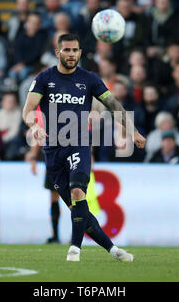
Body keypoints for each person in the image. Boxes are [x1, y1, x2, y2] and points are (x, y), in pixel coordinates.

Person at [22, 33, 145, 262]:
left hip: (79, 144)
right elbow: (28, 109)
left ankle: (74, 250)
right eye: (66, 50)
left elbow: (113, 105)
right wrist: (34, 126)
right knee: (78, 211)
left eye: (75, 50)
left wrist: (133, 131)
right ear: (58, 52)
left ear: (80, 52)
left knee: (79, 190)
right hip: (52, 150)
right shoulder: (44, 79)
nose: (71, 54)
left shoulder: (89, 79)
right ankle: (113, 250)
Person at [0, 92, 22, 160]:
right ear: (3, 102)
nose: (10, 103)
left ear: (15, 103)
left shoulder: (17, 113)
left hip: (10, 140)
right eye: (8, 101)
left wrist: (2, 140)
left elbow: (14, 131)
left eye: (12, 101)